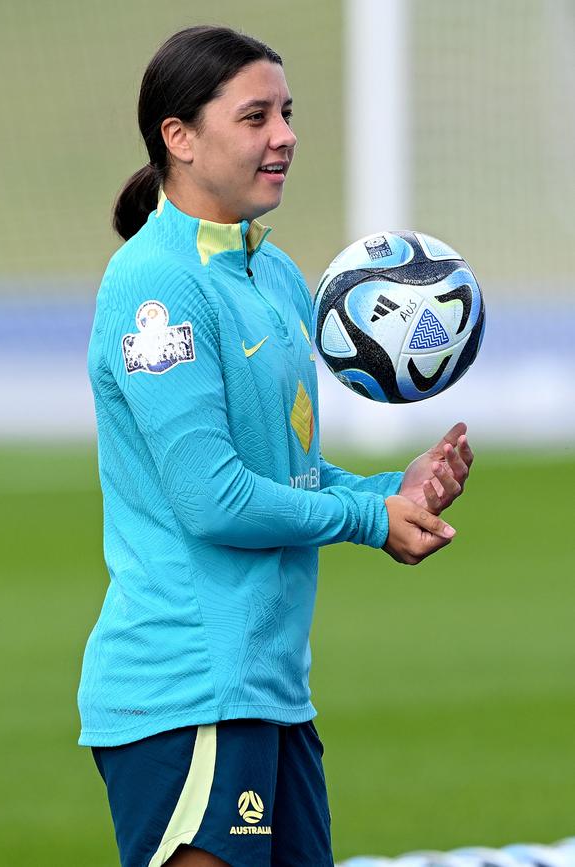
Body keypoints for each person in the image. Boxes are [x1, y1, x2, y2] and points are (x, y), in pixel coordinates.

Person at [77, 24, 473, 867]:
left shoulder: (277, 274)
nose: (286, 135)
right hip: (188, 695)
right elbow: (214, 499)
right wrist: (370, 525)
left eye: (287, 112)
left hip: (271, 692)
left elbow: (288, 474)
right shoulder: (157, 287)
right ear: (178, 138)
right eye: (256, 116)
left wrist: (389, 493)